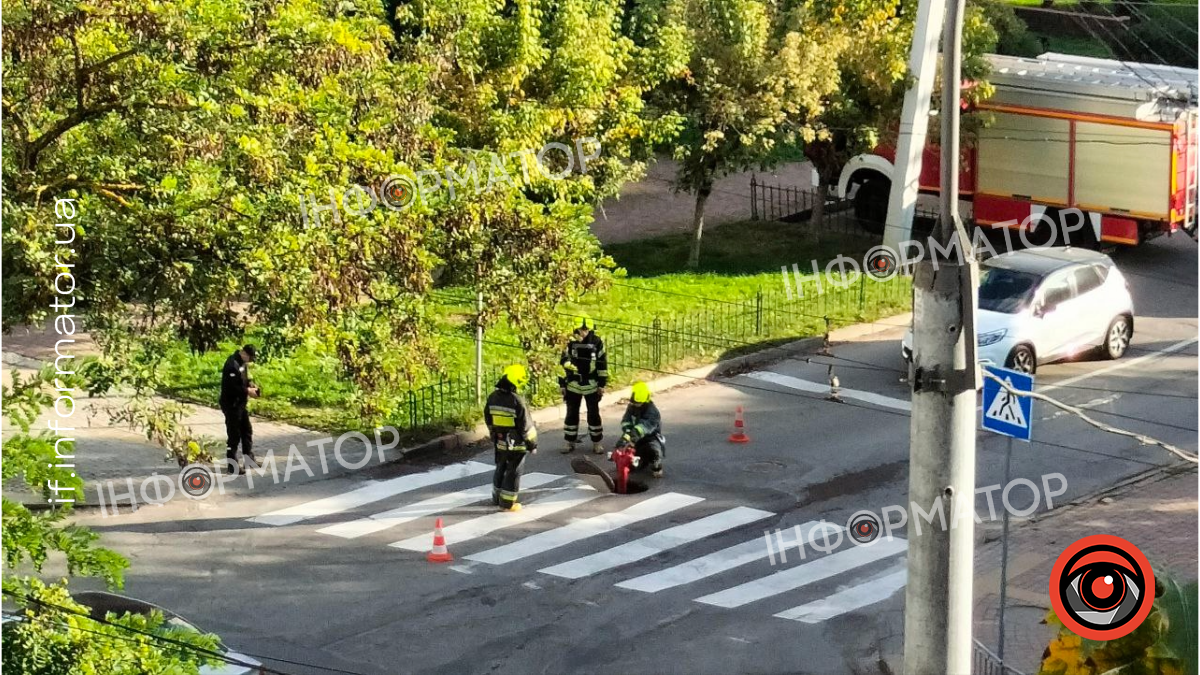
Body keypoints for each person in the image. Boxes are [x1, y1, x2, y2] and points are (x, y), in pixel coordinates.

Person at [483, 364, 539, 511]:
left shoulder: (492, 397)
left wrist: (494, 434)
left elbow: (488, 418)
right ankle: (508, 503)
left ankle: (497, 497)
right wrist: (532, 444)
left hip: (500, 441)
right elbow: (526, 426)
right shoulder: (517, 401)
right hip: (516, 444)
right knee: (514, 472)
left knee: (501, 467)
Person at [559, 316, 608, 455]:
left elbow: (602, 363)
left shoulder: (597, 342)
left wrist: (602, 384)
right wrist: (562, 383)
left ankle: (597, 443)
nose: (583, 332)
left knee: (593, 414)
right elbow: (562, 362)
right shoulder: (569, 342)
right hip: (573, 384)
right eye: (581, 329)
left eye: (586, 330)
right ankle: (569, 441)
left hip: (591, 384)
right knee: (571, 414)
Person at [219, 344, 260, 474]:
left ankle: (249, 459)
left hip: (240, 404)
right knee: (234, 435)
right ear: (244, 353)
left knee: (246, 430)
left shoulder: (242, 364)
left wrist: (250, 384)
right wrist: (248, 391)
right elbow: (233, 387)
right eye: (250, 358)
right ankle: (232, 465)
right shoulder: (232, 365)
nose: (250, 361)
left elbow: (243, 380)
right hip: (231, 404)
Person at [619, 382, 664, 478]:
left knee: (654, 451)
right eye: (635, 402)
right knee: (625, 453)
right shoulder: (632, 406)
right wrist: (627, 432)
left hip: (650, 437)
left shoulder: (653, 412)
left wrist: (632, 436)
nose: (636, 405)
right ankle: (638, 461)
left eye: (639, 403)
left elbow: (643, 427)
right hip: (635, 437)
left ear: (645, 401)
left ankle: (656, 466)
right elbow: (626, 420)